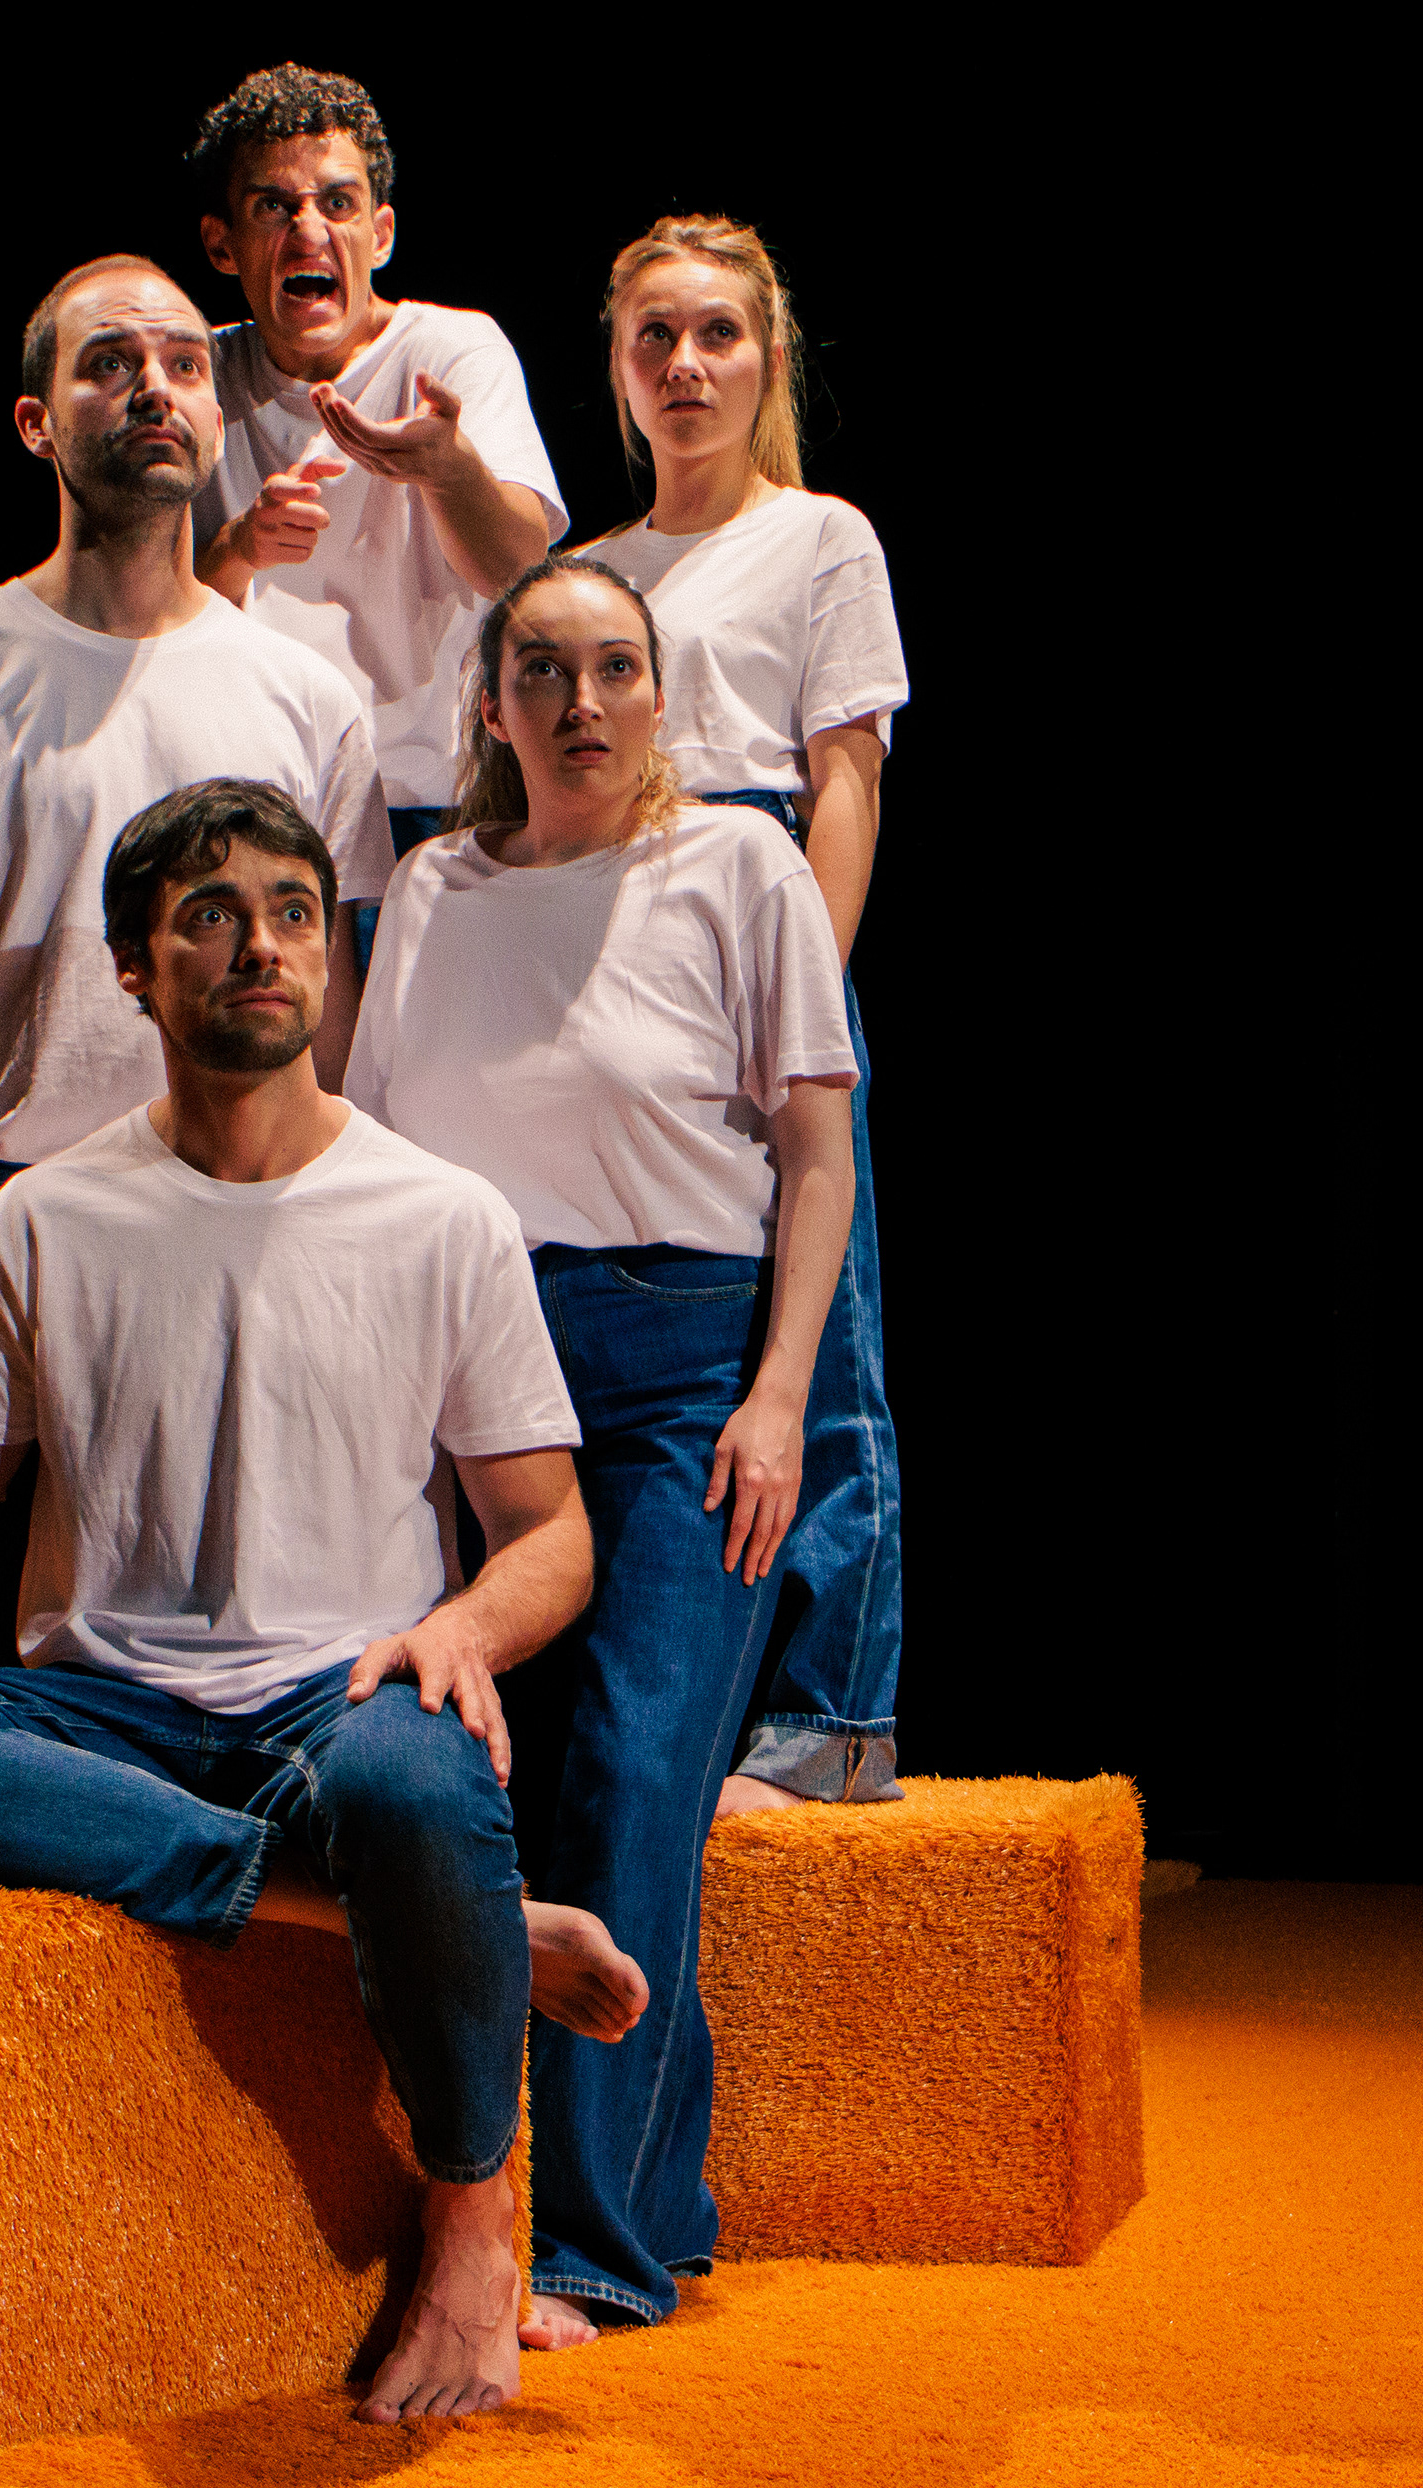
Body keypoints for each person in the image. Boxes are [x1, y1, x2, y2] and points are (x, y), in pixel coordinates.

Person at [0, 776, 640, 2425]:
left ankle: (472, 2228)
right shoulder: (45, 1215)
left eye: (294, 913)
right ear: (132, 968)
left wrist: (459, 1630)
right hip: (101, 1713)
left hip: (341, 1704)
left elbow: (551, 1537)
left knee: (416, 1778)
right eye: (212, 917)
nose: (262, 946)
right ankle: (418, 1919)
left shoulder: (444, 1216)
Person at [345, 558, 857, 2343]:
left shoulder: (741, 867)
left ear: (661, 693)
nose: (583, 701)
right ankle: (646, 2196)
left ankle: (591, 2247)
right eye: (544, 670)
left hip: (679, 1366)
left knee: (636, 1770)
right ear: (491, 707)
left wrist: (781, 1396)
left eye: (617, 667)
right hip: (477, 1359)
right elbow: (376, 1154)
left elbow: (817, 1158)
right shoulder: (434, 889)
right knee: (500, 1768)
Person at [0, 252, 390, 1460]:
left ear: (217, 418)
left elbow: (330, 1019)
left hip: (249, 1208)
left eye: (184, 365)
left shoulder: (308, 697)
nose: (155, 389)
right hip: (11, 1205)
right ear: (37, 422)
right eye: (112, 364)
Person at [577, 217, 910, 1814]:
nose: (686, 364)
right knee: (681, 1327)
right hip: (620, 924)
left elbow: (846, 780)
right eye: (656, 335)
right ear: (618, 363)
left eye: (718, 333)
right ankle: (676, 1704)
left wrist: (804, 992)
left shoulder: (821, 538)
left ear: (768, 357)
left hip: (760, 900)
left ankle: (837, 1709)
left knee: (816, 1322)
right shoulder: (596, 567)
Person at [182, 63, 565, 936]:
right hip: (256, 817)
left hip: (435, 806)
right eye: (272, 206)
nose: (308, 230)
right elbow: (141, 617)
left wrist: (447, 468)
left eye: (338, 203)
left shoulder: (454, 349)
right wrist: (238, 548)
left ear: (381, 232)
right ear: (222, 244)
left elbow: (517, 568)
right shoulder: (195, 376)